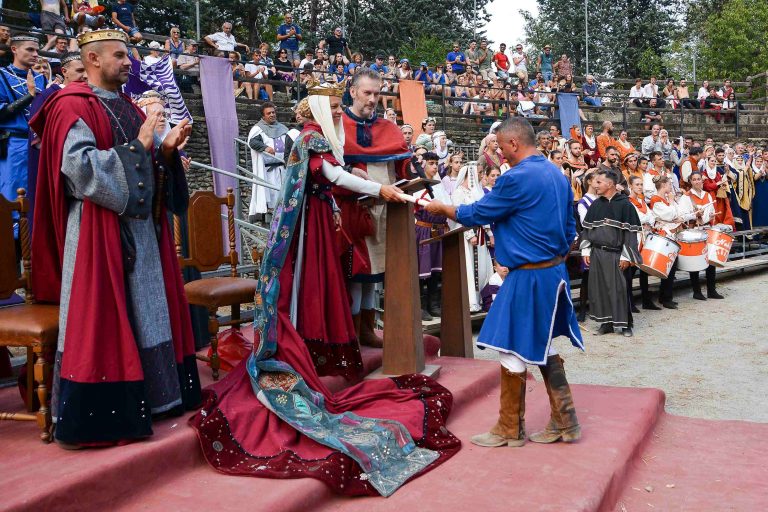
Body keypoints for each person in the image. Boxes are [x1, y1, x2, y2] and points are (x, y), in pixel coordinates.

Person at [190, 82, 459, 496]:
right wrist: (380, 189)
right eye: (333, 105)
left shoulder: (319, 135)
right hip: (308, 227)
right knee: (308, 287)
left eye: (339, 105)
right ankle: (301, 345)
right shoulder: (312, 137)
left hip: (319, 218)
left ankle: (314, 346)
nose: (339, 111)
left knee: (326, 285)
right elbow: (335, 176)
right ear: (316, 107)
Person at [30, 29, 200, 447]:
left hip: (140, 230)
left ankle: (157, 398)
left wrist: (163, 153)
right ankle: (103, 414)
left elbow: (143, 163)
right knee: (103, 317)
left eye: (129, 56)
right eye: (121, 56)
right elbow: (80, 171)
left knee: (146, 312)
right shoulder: (69, 107)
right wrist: (140, 147)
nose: (129, 63)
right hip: (95, 231)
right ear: (92, 60)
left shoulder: (125, 105)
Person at [424, 116, 584, 448]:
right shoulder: (557, 173)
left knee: (510, 343)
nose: (499, 153)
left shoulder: (516, 177)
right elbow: (571, 228)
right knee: (541, 342)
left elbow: (479, 213)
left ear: (513, 143)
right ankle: (565, 421)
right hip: (553, 272)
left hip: (529, 275)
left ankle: (510, 427)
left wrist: (444, 208)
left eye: (500, 146)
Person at [339, 68, 412, 347]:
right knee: (357, 274)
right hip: (355, 210)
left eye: (377, 93)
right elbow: (334, 167)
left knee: (375, 275)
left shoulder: (388, 128)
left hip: (387, 209)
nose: (372, 99)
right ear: (353, 91)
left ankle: (367, 330)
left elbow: (401, 162)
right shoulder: (339, 125)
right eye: (367, 92)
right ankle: (353, 332)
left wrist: (412, 172)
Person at [580, 169, 642, 336]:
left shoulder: (625, 205)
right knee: (600, 289)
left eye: (599, 182)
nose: (595, 185)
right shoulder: (596, 204)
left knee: (620, 290)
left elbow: (630, 234)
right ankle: (606, 323)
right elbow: (586, 230)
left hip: (617, 254)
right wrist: (586, 250)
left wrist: (626, 255)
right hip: (597, 254)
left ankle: (626, 324)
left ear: (610, 184)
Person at [27, 52, 86, 224]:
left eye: (86, 70)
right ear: (65, 71)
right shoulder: (47, 96)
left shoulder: (89, 94)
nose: (84, 75)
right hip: (55, 166)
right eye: (79, 70)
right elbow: (37, 134)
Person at [0, 35, 47, 237]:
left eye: (37, 50)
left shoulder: (41, 78)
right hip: (15, 144)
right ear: (14, 49)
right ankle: (13, 244)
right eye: (29, 50)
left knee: (38, 194)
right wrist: (29, 96)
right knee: (14, 193)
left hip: (40, 144)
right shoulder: (2, 76)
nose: (35, 55)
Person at [450, 163, 493, 313]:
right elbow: (458, 216)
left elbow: (483, 214)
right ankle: (471, 302)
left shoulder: (476, 192)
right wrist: (470, 235)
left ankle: (483, 299)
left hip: (480, 234)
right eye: (479, 173)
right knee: (470, 268)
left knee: (482, 268)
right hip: (467, 235)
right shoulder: (458, 193)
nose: (481, 176)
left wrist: (489, 233)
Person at [412, 152, 450, 319]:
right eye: (431, 163)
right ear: (424, 165)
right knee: (422, 269)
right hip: (423, 230)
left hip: (439, 229)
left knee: (436, 269)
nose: (435, 166)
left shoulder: (440, 185)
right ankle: (420, 306)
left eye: (436, 163)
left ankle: (433, 304)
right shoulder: (417, 185)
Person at [650, 175, 695, 309]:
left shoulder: (666, 199)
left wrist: (691, 214)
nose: (671, 187)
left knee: (672, 267)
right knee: (667, 267)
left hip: (673, 234)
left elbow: (678, 213)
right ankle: (665, 297)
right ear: (663, 185)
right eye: (669, 184)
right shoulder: (656, 199)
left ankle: (666, 296)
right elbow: (670, 215)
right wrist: (671, 203)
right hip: (664, 235)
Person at [679, 171, 723, 300]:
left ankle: (712, 290)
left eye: (699, 179)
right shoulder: (686, 197)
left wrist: (711, 216)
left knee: (710, 261)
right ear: (691, 182)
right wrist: (695, 215)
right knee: (695, 261)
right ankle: (696, 291)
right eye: (694, 179)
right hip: (694, 230)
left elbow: (711, 212)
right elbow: (682, 215)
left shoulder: (707, 195)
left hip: (707, 228)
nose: (697, 181)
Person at [247, 102, 294, 220]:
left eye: (273, 112)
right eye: (269, 113)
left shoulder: (283, 128)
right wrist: (265, 148)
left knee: (284, 191)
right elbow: (252, 142)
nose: (272, 115)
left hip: (283, 167)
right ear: (263, 116)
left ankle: (284, 212)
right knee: (272, 192)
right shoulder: (258, 129)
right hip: (269, 169)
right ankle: (273, 214)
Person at [626, 175, 660, 310]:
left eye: (641, 184)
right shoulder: (628, 202)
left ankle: (646, 300)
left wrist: (647, 221)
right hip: (635, 238)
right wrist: (646, 221)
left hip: (645, 237)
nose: (640, 187)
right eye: (637, 185)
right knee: (631, 270)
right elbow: (637, 218)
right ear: (630, 186)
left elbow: (652, 216)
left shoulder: (642, 200)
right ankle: (630, 302)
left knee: (644, 270)